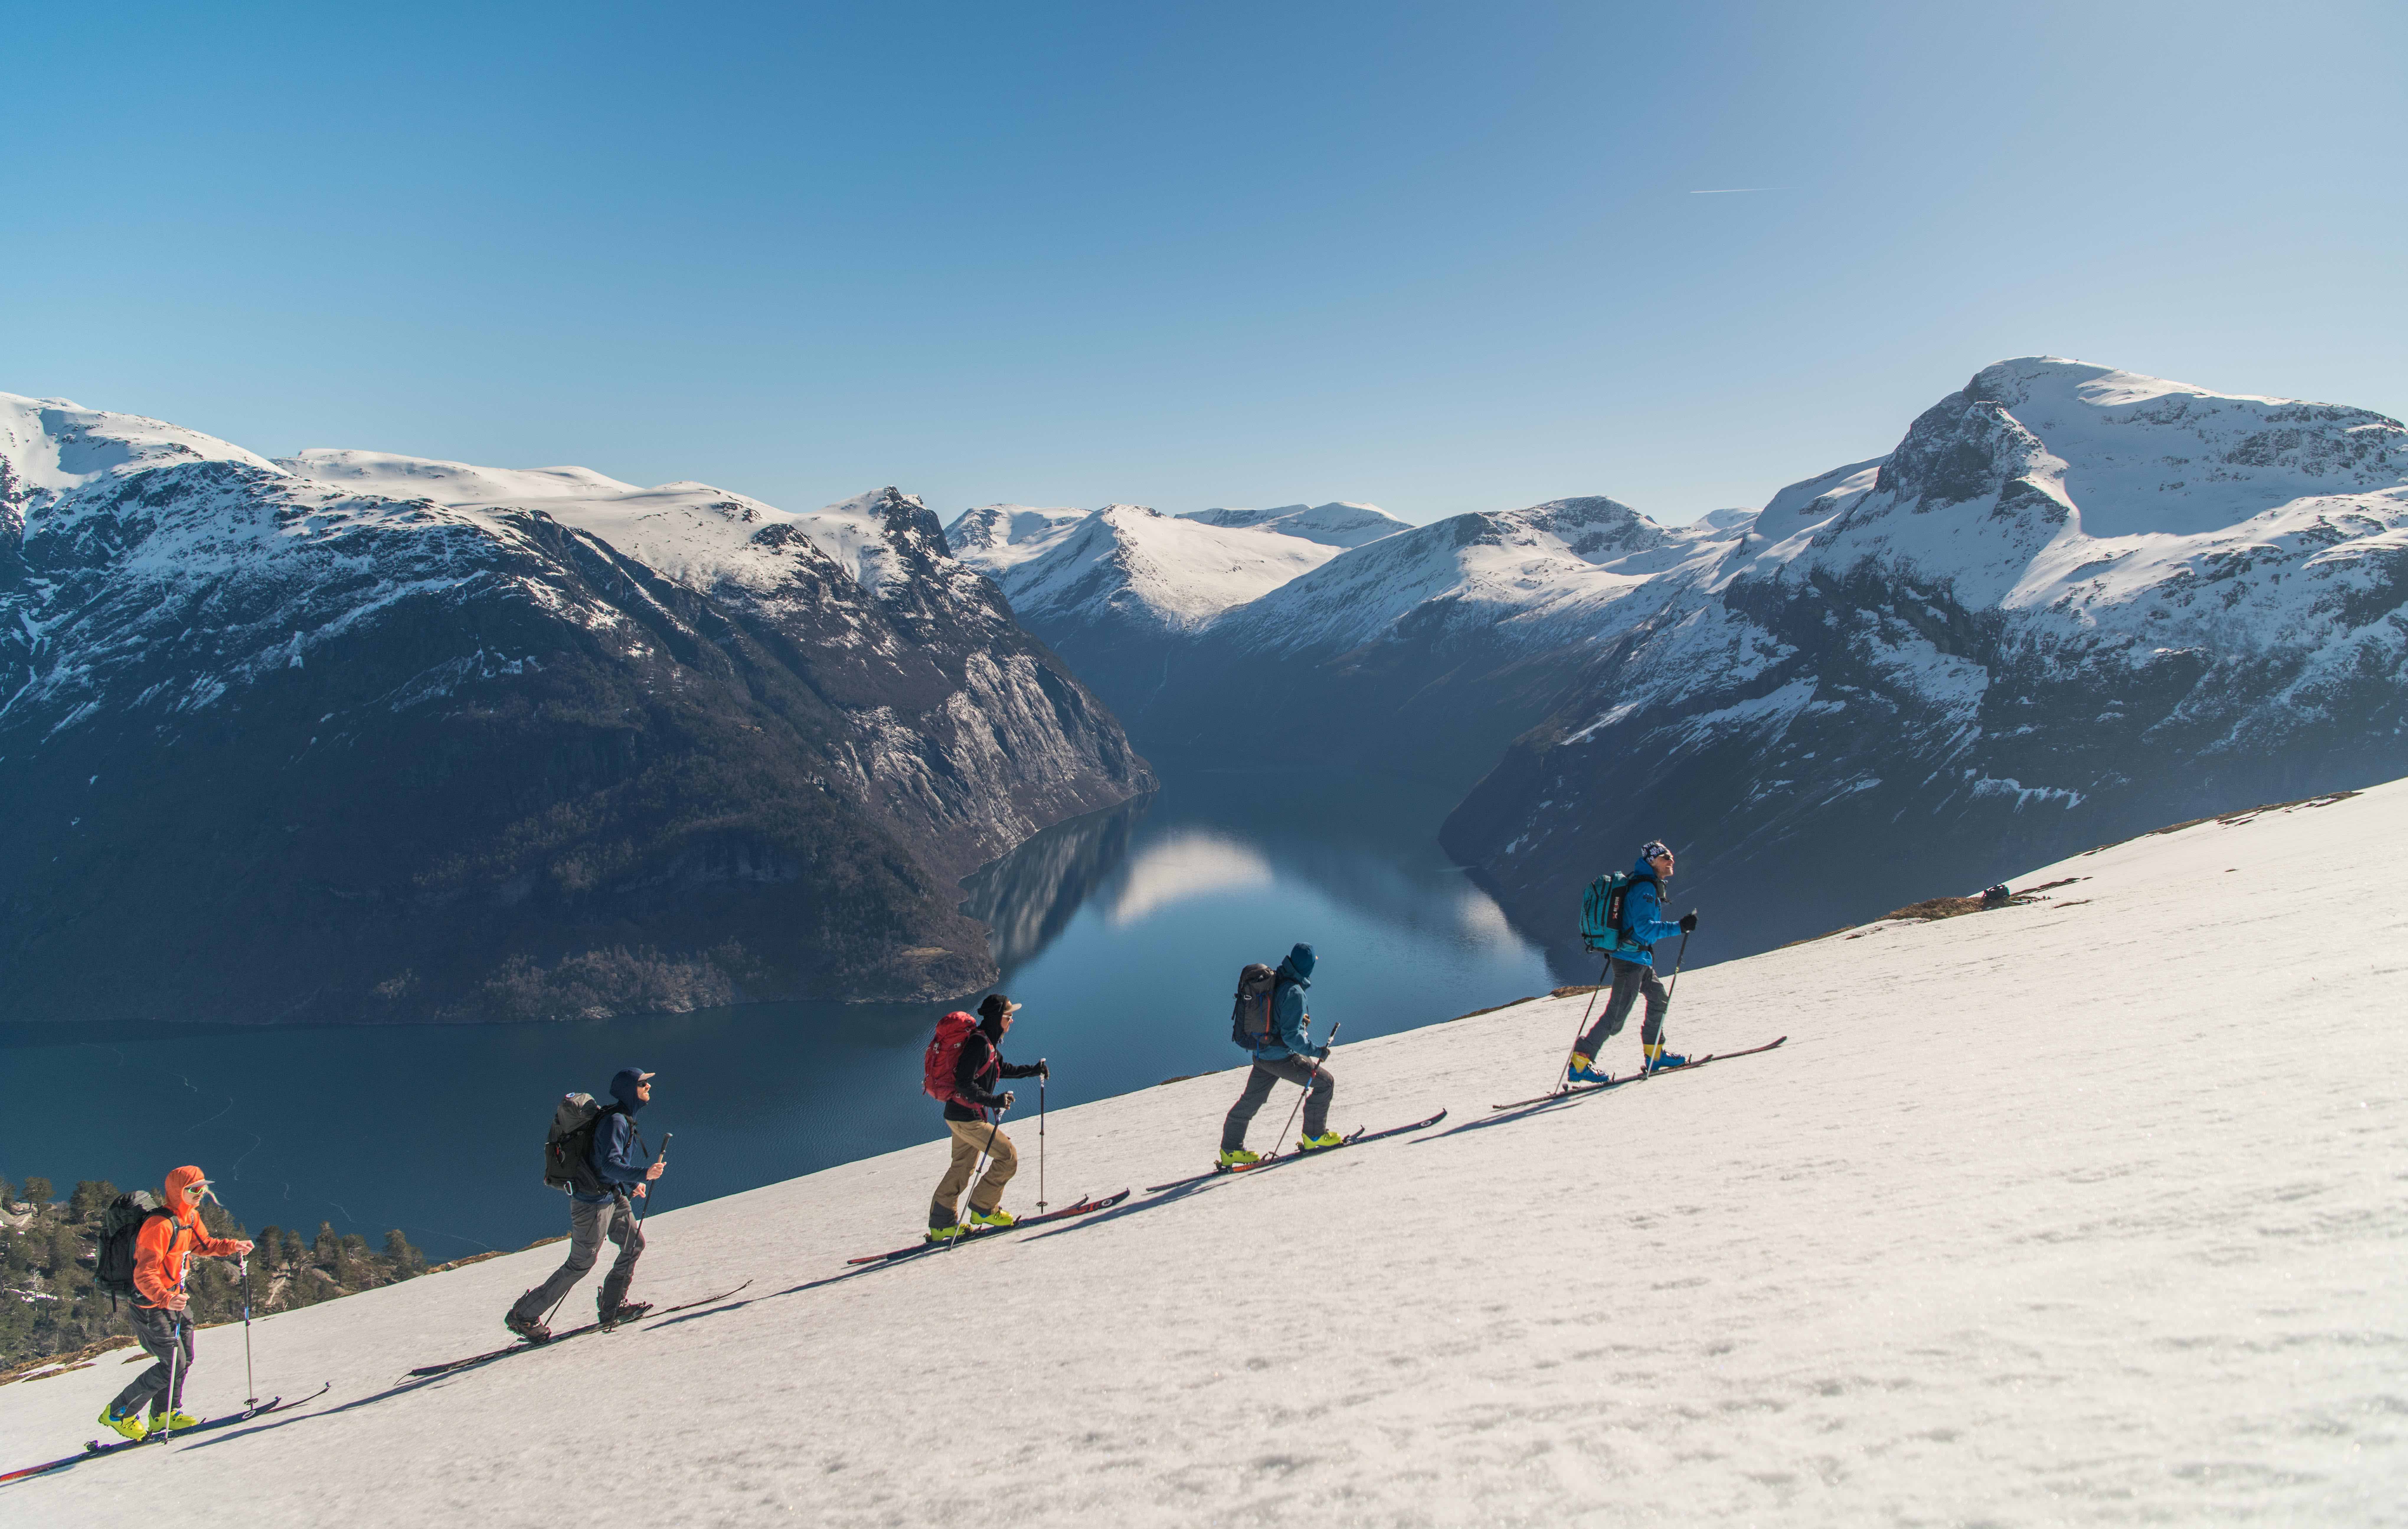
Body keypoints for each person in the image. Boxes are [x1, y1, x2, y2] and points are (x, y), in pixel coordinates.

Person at [505, 1068, 664, 1342]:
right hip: (592, 1204)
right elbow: (610, 1164)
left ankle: (613, 1307)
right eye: (643, 1084)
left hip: (611, 1195)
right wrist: (644, 1174)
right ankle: (524, 1315)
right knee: (580, 1264)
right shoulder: (616, 1121)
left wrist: (629, 1184)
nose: (649, 1087)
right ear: (629, 1090)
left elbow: (604, 1163)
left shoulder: (623, 1118)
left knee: (634, 1244)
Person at [98, 1165, 253, 1440]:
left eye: (204, 1187)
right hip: (152, 1304)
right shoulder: (158, 1225)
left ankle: (164, 1415)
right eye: (194, 1189)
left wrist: (233, 1246)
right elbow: (144, 1273)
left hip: (175, 1299)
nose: (201, 1193)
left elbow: (202, 1245)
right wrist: (165, 1298)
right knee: (172, 1364)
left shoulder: (190, 1218)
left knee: (185, 1359)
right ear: (177, 1191)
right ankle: (118, 1412)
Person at [1568, 840, 1698, 1082]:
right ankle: (1580, 1063)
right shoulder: (1645, 889)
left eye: (1670, 856)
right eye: (1664, 857)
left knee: (1659, 999)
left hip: (1637, 958)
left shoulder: (1645, 884)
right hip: (1630, 961)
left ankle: (1655, 1055)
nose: (1671, 860)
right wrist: (1679, 927)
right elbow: (1644, 929)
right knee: (1615, 1017)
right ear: (1652, 861)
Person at [928, 993, 1047, 1242]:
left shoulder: (987, 1043)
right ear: (996, 1019)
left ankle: (942, 1226)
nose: (1012, 1021)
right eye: (1008, 1016)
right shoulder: (979, 1045)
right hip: (967, 1118)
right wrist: (995, 1100)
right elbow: (964, 1084)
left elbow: (1001, 1069)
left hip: (959, 1115)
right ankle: (984, 1210)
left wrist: (1033, 1070)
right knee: (1007, 1157)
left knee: (962, 1168)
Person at [1219, 942, 1341, 1167]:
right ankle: (1315, 1137)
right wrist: (1317, 1051)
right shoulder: (1294, 992)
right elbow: (1292, 1038)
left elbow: (1275, 1020)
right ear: (1307, 968)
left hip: (1261, 1055)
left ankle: (1230, 1150)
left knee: (1250, 1101)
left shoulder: (1276, 980)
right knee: (1325, 1083)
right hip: (1280, 1058)